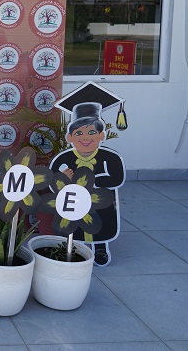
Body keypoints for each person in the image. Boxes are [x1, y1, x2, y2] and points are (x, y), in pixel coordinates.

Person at [50, 83, 126, 266]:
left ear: (101, 135)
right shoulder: (64, 158)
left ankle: (100, 248)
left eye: (92, 132)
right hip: (74, 202)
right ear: (70, 138)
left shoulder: (110, 157)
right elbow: (53, 179)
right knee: (74, 224)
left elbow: (116, 178)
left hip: (101, 202)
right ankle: (74, 247)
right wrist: (63, 178)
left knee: (102, 224)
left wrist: (91, 181)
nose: (85, 137)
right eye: (79, 133)